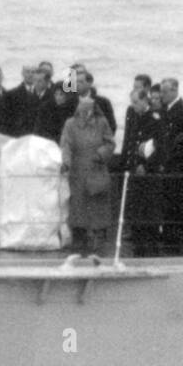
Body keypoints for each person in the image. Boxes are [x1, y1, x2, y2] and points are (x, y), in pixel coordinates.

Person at [59, 91, 115, 255]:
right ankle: (79, 238)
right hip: (77, 170)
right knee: (78, 206)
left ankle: (98, 237)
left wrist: (101, 154)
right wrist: (66, 163)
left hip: (97, 168)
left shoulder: (102, 122)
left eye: (87, 110)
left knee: (98, 204)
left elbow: (110, 143)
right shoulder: (70, 124)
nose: (84, 113)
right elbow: (66, 145)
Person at [117, 87, 163, 256]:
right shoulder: (137, 117)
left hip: (148, 173)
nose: (133, 106)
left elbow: (160, 147)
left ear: (145, 100)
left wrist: (147, 165)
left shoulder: (154, 119)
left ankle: (149, 244)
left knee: (148, 209)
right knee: (136, 207)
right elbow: (132, 141)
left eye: (136, 102)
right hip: (135, 170)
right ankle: (138, 242)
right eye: (132, 103)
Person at [158, 78, 183, 253]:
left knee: (176, 202)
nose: (161, 95)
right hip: (165, 164)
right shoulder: (164, 110)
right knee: (166, 201)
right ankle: (168, 235)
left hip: (177, 165)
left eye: (165, 91)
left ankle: (176, 238)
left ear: (174, 91)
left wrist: (171, 158)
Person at [4, 65, 37, 136]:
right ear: (22, 74)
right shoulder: (12, 94)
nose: (30, 75)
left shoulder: (41, 94)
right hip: (18, 135)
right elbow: (8, 119)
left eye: (33, 72)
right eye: (27, 72)